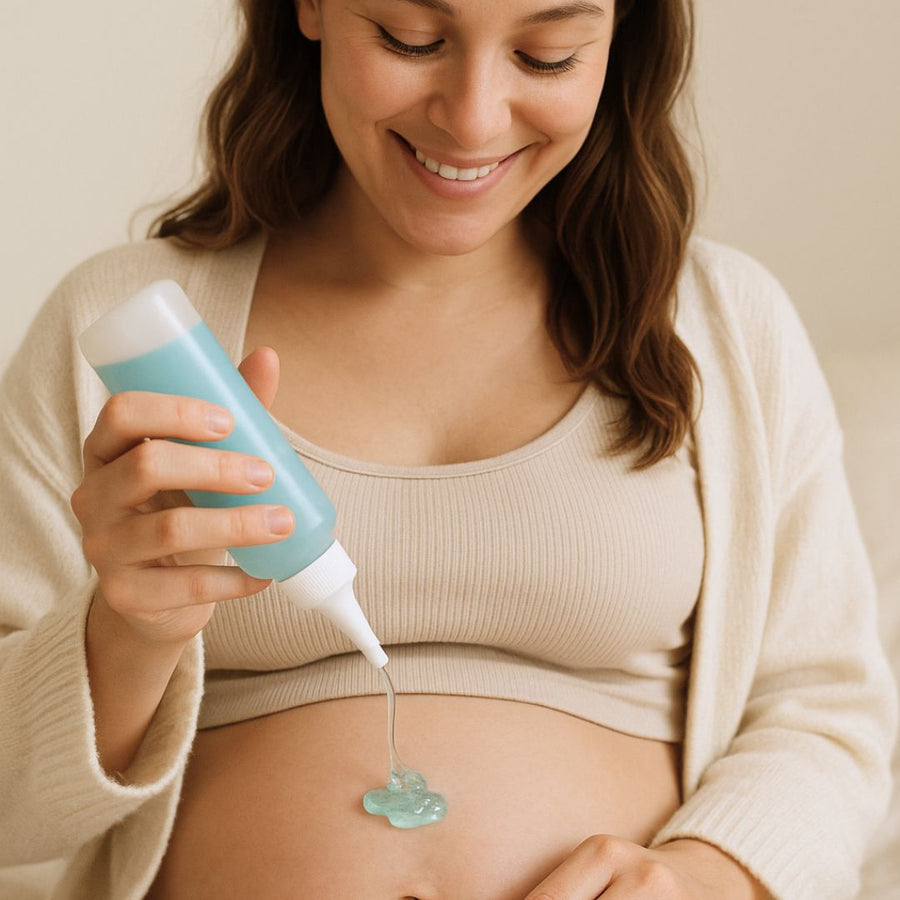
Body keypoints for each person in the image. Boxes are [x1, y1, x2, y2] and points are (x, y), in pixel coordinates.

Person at [0, 0, 895, 897]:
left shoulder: (726, 327)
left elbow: (829, 714)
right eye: (411, 40)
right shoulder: (125, 340)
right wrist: (124, 635)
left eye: (546, 56)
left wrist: (710, 876)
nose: (472, 118)